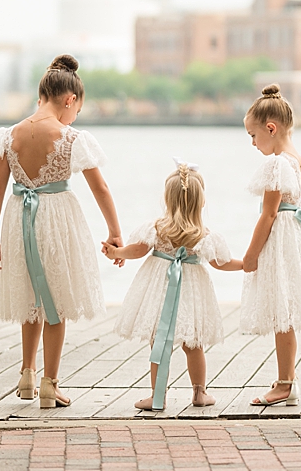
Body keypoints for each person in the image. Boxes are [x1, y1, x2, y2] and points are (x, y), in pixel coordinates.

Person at [0, 55, 123, 408]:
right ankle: (50, 383)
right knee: (56, 301)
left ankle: (26, 375)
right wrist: (114, 231)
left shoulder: (9, 135)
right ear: (69, 100)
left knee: (31, 299)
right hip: (57, 221)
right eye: (76, 109)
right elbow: (101, 189)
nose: (74, 117)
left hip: (18, 220)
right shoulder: (71, 137)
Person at [103, 161, 243, 411]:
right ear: (201, 202)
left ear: (167, 200)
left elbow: (137, 250)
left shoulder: (157, 229)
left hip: (159, 288)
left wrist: (117, 251)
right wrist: (246, 264)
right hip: (192, 292)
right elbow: (221, 263)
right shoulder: (204, 235)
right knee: (193, 344)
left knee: (159, 341)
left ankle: (158, 396)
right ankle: (199, 393)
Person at [238, 84, 301, 407]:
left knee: (282, 310)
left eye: (253, 135)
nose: (252, 142)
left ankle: (286, 382)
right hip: (300, 237)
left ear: (270, 128)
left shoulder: (276, 165)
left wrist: (251, 255)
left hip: (281, 239)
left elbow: (269, 214)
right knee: (284, 308)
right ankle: (288, 377)